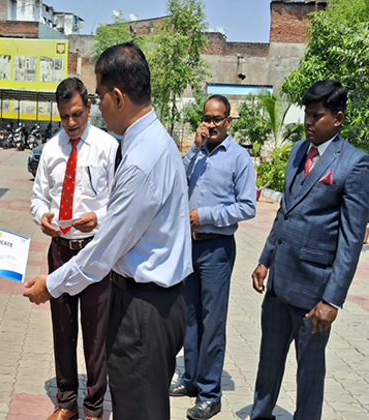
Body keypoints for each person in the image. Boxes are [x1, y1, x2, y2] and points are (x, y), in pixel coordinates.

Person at [24, 43, 192, 420]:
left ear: (118, 97)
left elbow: (107, 248)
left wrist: (49, 285)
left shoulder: (140, 160)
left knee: (139, 410)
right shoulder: (153, 144)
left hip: (144, 307)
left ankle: (92, 405)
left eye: (98, 98)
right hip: (151, 300)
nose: (97, 108)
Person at [250, 80, 369, 420]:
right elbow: (285, 210)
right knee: (267, 363)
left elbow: (350, 239)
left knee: (309, 374)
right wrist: (264, 259)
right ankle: (260, 415)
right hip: (278, 287)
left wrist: (332, 300)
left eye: (317, 116)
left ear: (338, 118)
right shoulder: (299, 151)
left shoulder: (354, 164)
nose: (308, 122)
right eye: (307, 114)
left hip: (314, 294)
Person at [30, 77, 118, 420]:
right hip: (60, 251)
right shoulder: (52, 149)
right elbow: (38, 198)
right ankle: (66, 402)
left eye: (77, 114)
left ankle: (94, 407)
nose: (71, 123)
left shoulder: (109, 148)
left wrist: (99, 217)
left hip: (95, 252)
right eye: (64, 116)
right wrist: (43, 217)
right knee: (63, 329)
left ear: (89, 108)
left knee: (96, 335)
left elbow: (122, 202)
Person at [169, 95, 256, 420]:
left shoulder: (238, 158)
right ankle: (190, 379)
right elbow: (176, 181)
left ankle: (210, 393)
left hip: (217, 249)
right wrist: (192, 148)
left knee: (212, 321)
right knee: (189, 316)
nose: (211, 124)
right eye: (206, 118)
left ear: (228, 122)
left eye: (217, 119)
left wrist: (204, 215)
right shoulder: (197, 155)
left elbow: (247, 206)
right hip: (189, 246)